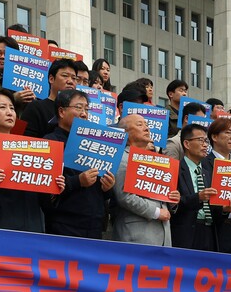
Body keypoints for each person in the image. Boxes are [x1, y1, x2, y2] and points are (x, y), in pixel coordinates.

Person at [0, 90, 62, 231]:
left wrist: (53, 189)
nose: (9, 112)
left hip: (31, 226)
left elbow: (43, 199)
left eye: (12, 108)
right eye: (2, 107)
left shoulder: (30, 147)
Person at [44, 89, 115, 238]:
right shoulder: (51, 142)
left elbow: (102, 190)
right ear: (62, 112)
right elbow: (47, 187)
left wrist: (107, 187)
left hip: (94, 224)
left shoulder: (95, 144)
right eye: (79, 108)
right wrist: (78, 181)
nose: (84, 113)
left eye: (86, 109)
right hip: (64, 225)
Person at [111, 114, 179, 246]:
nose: (146, 128)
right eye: (139, 125)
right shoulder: (121, 157)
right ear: (125, 132)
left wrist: (173, 200)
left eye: (146, 124)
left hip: (163, 234)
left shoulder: (157, 161)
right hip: (136, 234)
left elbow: (161, 196)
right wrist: (156, 212)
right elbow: (124, 196)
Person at [174, 123, 220, 250]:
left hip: (209, 231)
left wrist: (226, 210)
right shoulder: (175, 170)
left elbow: (214, 207)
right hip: (185, 233)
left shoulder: (208, 173)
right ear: (187, 144)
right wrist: (198, 198)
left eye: (206, 141)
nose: (205, 145)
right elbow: (173, 203)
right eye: (201, 140)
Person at [207, 118, 231, 254]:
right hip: (218, 228)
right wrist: (223, 210)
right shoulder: (205, 164)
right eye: (228, 133)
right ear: (214, 137)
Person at [21, 58, 77, 138]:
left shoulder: (77, 112)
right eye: (65, 76)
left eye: (74, 78)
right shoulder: (36, 108)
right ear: (51, 79)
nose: (70, 81)